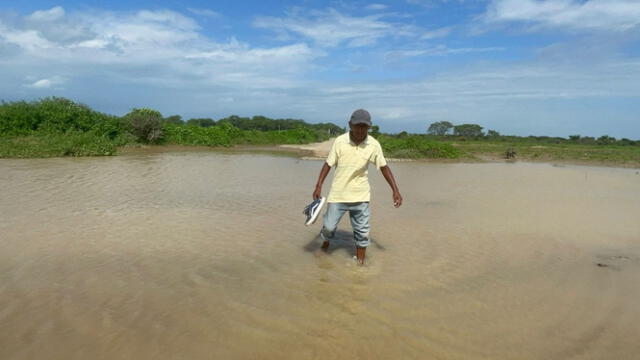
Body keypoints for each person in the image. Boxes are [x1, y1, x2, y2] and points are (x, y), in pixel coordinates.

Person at [312, 109, 402, 265]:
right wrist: (318, 185)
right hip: (338, 194)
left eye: (364, 127)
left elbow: (384, 167)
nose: (360, 130)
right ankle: (325, 244)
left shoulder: (373, 144)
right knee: (328, 227)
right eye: (357, 126)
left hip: (361, 196)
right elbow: (328, 164)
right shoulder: (340, 141)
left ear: (369, 127)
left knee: (362, 232)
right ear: (350, 125)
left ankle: (360, 263)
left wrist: (395, 190)